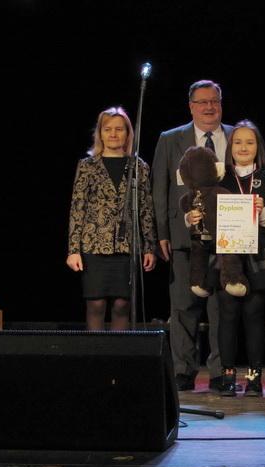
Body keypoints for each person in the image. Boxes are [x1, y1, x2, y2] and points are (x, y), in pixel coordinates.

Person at [188, 120, 265, 397]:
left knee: (254, 315)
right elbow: (199, 204)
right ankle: (227, 376)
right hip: (227, 254)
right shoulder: (219, 175)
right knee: (227, 315)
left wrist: (262, 210)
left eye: (249, 142)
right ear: (230, 147)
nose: (243, 147)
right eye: (238, 142)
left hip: (257, 253)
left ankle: (254, 378)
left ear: (258, 147)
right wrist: (191, 217)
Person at [152, 80, 233, 392]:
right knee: (183, 305)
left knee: (220, 309)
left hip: (226, 235)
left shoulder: (235, 136)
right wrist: (161, 232)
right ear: (191, 106)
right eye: (202, 102)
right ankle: (183, 370)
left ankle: (219, 372)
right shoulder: (170, 139)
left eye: (215, 101)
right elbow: (160, 188)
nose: (209, 107)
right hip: (184, 234)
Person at [67, 106, 156, 330]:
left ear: (128, 133)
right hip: (94, 245)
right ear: (100, 133)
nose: (113, 134)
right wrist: (73, 250)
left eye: (119, 129)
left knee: (122, 304)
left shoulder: (139, 167)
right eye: (107, 129)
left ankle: (120, 352)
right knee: (96, 304)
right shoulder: (87, 166)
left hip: (127, 247)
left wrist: (149, 247)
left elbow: (145, 208)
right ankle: (95, 351)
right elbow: (77, 208)